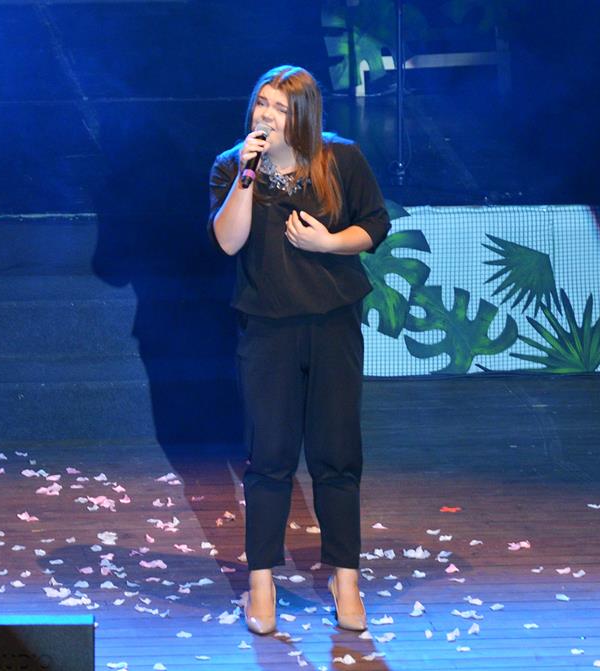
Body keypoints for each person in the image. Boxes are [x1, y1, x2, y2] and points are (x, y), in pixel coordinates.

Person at [207, 65, 390, 635]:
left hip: (333, 326)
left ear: (303, 116)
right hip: (268, 331)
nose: (265, 114)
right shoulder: (232, 165)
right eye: (261, 102)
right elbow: (228, 241)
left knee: (337, 454)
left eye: (279, 108)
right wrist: (245, 175)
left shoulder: (341, 159)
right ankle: (262, 584)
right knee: (270, 458)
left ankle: (346, 580)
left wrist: (329, 242)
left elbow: (375, 224)